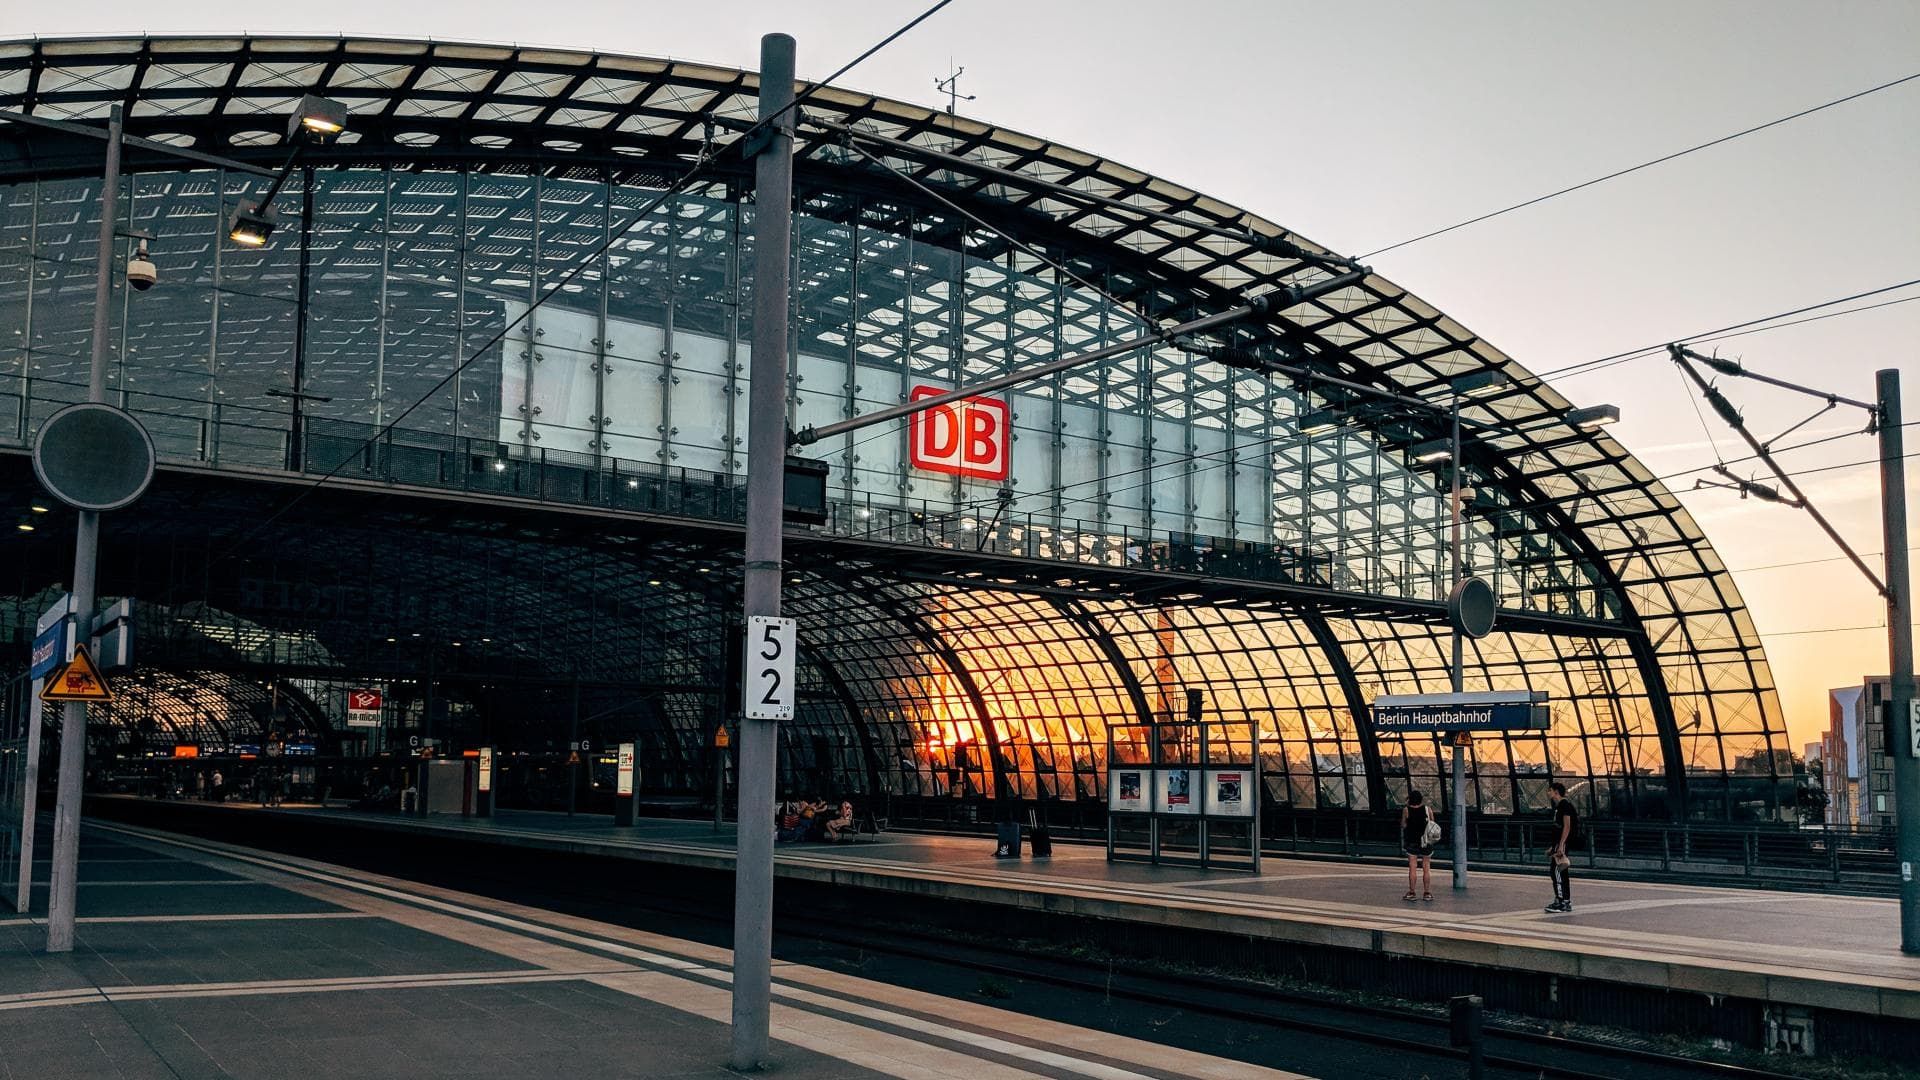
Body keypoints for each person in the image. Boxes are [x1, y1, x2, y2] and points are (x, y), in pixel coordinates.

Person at [1545, 781, 1578, 913]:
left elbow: (1567, 826)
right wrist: (1552, 847)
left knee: (1557, 871)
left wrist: (1561, 845)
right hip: (1558, 843)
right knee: (1560, 872)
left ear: (1556, 792)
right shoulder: (1559, 806)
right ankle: (1564, 900)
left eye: (1550, 790)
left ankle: (1561, 901)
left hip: (1562, 844)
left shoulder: (1565, 805)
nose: (1548, 792)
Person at [1400, 790, 1435, 902]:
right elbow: (1432, 824)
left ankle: (1412, 892)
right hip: (1426, 842)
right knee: (1426, 867)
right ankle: (1427, 893)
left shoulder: (1406, 810)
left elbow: (1403, 825)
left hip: (1412, 842)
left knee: (1413, 867)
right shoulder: (1427, 809)